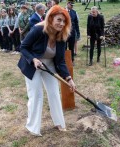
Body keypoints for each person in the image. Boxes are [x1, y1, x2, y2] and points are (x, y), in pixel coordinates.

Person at [18, 5, 76, 136]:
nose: (61, 24)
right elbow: (23, 47)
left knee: (54, 92)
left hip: (49, 64)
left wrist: (69, 79)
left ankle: (59, 123)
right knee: (36, 95)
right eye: (59, 20)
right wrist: (33, 59)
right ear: (50, 19)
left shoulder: (62, 36)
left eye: (64, 21)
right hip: (32, 63)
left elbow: (60, 61)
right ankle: (33, 127)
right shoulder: (38, 30)